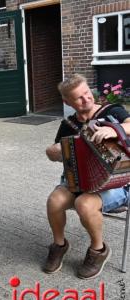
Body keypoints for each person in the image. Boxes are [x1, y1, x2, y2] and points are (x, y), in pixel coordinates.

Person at [44, 74, 130, 280]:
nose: (86, 99)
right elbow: (53, 152)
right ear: (68, 102)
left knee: (84, 204)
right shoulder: (69, 124)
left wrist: (114, 130)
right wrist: (54, 151)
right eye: (79, 98)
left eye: (87, 93)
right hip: (79, 181)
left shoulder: (111, 112)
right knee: (54, 200)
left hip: (117, 182)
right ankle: (59, 245)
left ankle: (98, 251)